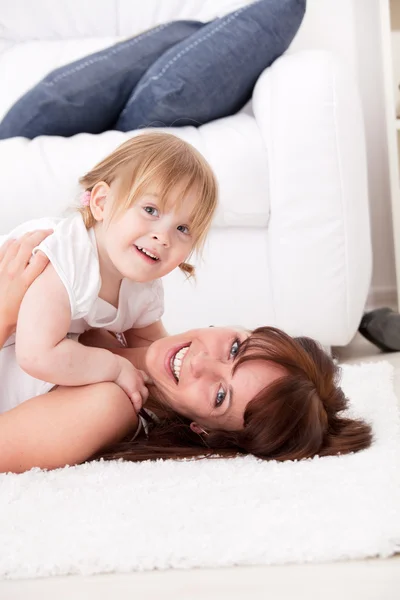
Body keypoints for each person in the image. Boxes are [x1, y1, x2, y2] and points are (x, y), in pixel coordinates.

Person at [0, 234, 372, 474]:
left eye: (220, 395)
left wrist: (4, 311)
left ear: (204, 429)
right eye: (235, 348)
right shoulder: (131, 309)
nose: (201, 363)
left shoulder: (107, 404)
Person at [0, 132, 218, 414]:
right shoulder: (65, 256)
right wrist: (114, 366)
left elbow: (151, 352)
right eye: (151, 210)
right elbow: (36, 355)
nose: (164, 238)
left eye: (183, 229)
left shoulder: (143, 283)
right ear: (101, 203)